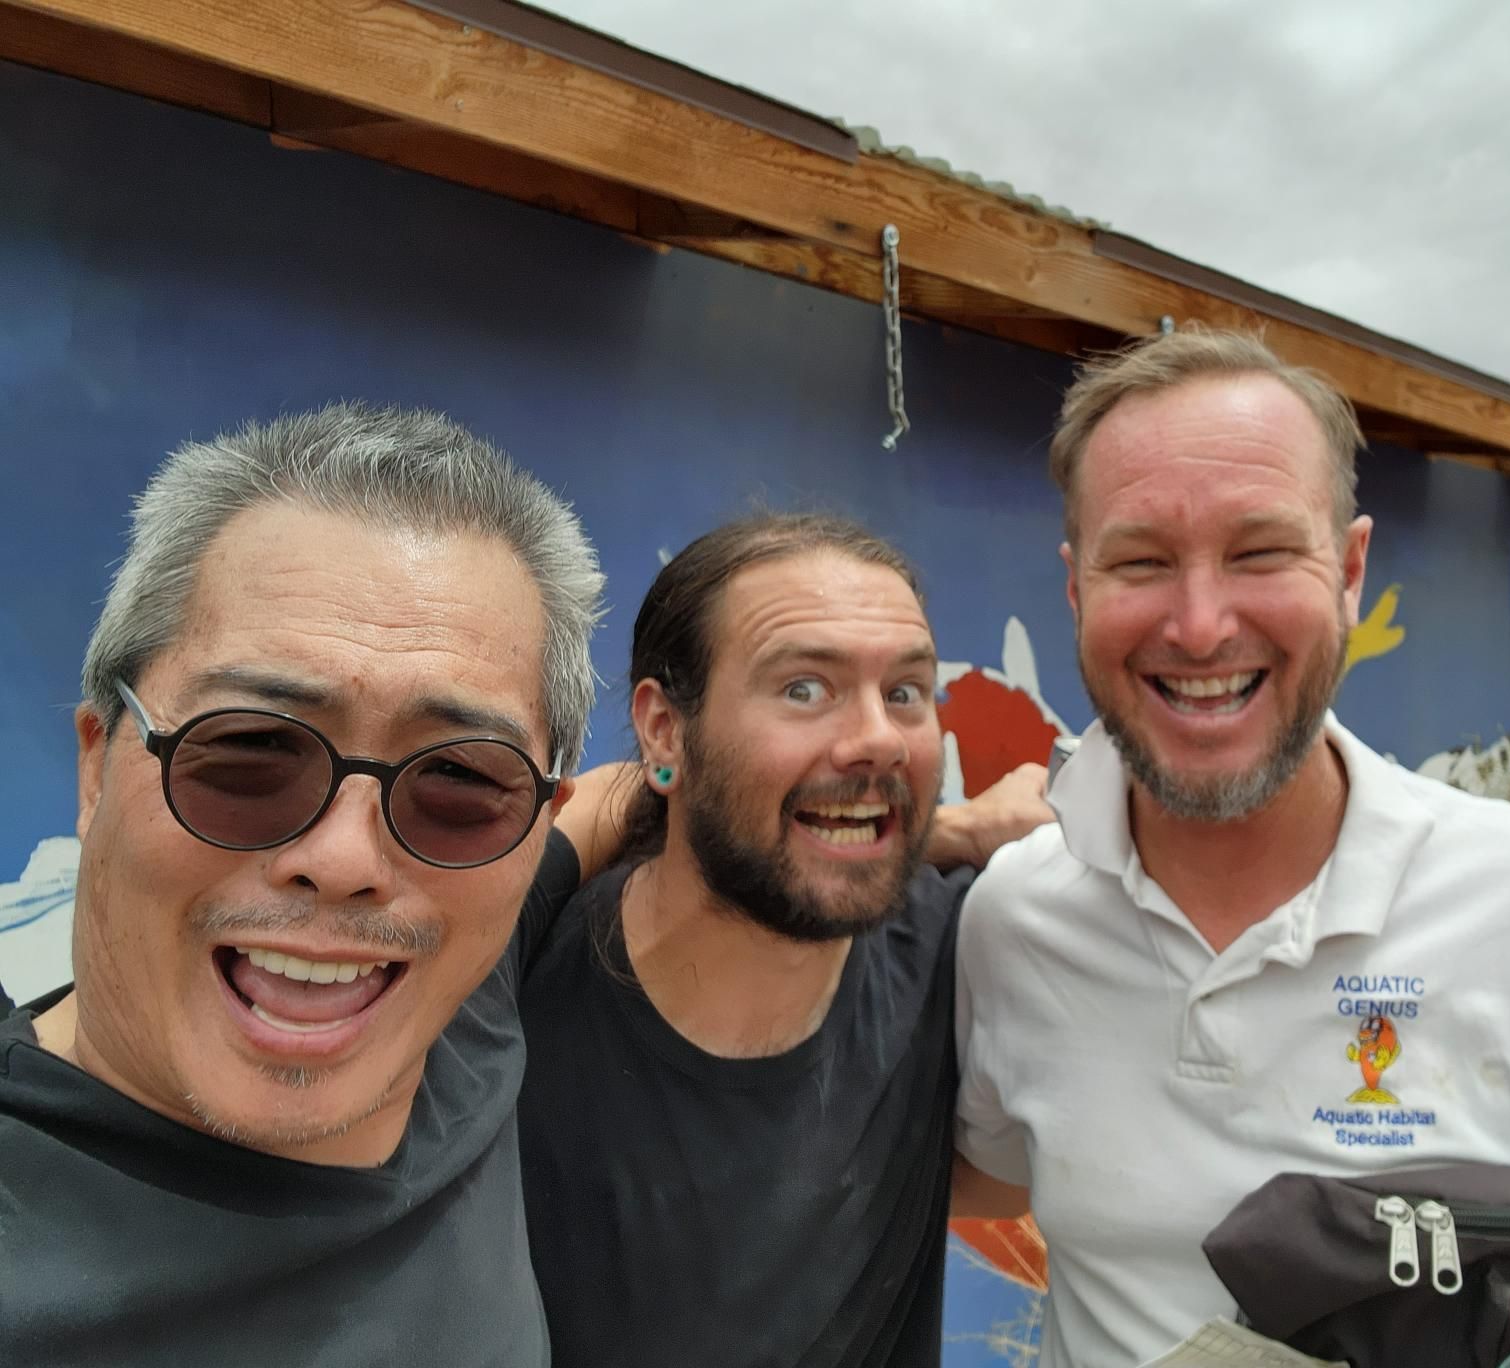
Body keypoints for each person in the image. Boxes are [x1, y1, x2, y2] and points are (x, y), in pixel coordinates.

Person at [952, 329, 1510, 1367]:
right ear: (1075, 587)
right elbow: (1005, 1169)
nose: (1197, 624)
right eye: (1140, 560)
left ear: (1352, 570)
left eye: (1260, 551)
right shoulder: (1015, 921)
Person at [0, 403, 619, 1366]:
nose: (343, 861)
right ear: (96, 766)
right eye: (249, 749)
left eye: (457, 779)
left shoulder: (463, 1001)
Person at [516, 513, 1051, 1367]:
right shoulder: (505, 981)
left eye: (907, 692)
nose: (878, 735)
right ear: (664, 729)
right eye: (805, 688)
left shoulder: (968, 951)